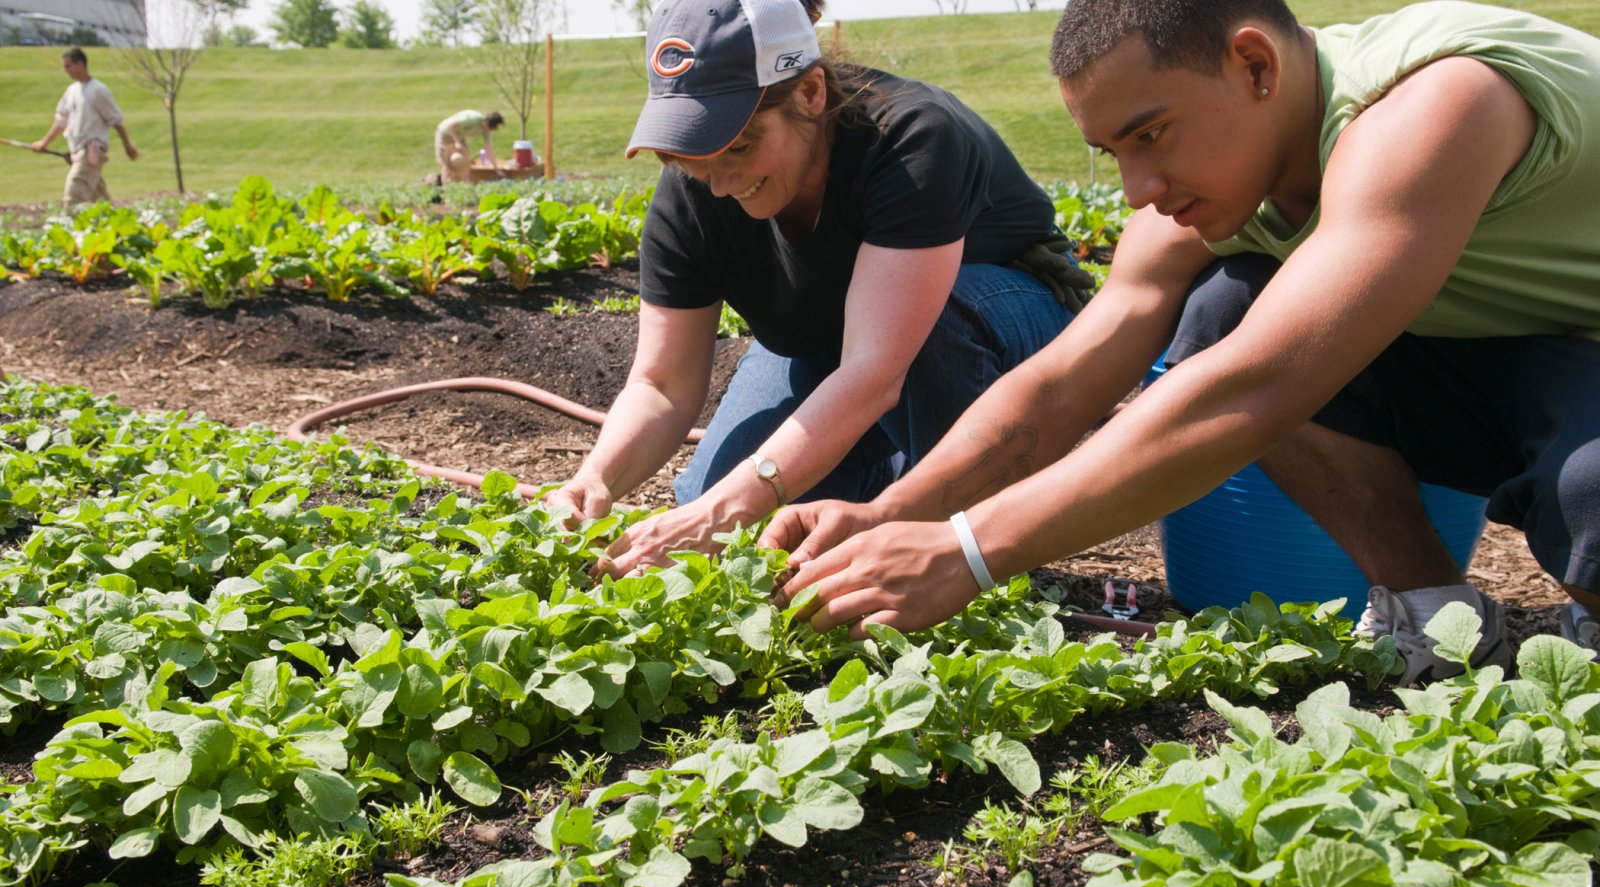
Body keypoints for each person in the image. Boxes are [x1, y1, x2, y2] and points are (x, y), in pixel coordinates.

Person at [761, 0, 1600, 685]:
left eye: (1151, 134)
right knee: (1226, 313)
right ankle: (1440, 620)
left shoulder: (1436, 101)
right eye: (1113, 153)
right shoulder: (1225, 178)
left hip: (1575, 361)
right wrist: (892, 513)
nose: (1138, 190)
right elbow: (1061, 385)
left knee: (1586, 484)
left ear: (1256, 66)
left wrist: (974, 552)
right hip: (1511, 358)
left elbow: (1257, 387)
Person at [544, 0, 1090, 575]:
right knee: (731, 536)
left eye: (740, 144)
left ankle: (976, 530)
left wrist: (724, 510)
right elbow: (661, 384)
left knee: (744, 505)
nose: (720, 183)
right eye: (691, 151)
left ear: (809, 93)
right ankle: (873, 477)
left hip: (1003, 317)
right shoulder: (693, 195)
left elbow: (875, 371)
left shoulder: (910, 139)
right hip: (843, 354)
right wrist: (596, 479)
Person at [32, 47, 138, 207]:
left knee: (75, 190)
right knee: (99, 198)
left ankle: (67, 226)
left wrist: (128, 147)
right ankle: (115, 223)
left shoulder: (98, 90)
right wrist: (43, 143)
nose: (66, 70)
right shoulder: (72, 91)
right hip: (77, 149)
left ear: (80, 63)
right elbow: (61, 122)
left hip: (91, 149)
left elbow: (117, 122)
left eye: (68, 66)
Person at [435, 109, 504, 183]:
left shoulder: (486, 130)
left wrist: (497, 169)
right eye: (489, 127)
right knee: (447, 161)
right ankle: (445, 186)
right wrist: (457, 142)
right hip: (445, 132)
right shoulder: (471, 119)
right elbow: (451, 126)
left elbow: (489, 150)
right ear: (486, 121)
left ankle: (465, 185)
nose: (488, 130)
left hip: (459, 135)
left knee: (465, 159)